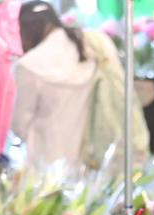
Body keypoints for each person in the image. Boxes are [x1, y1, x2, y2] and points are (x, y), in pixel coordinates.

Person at [13, 1, 101, 167]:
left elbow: (19, 123)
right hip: (79, 157)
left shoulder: (29, 65)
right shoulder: (84, 52)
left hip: (40, 158)